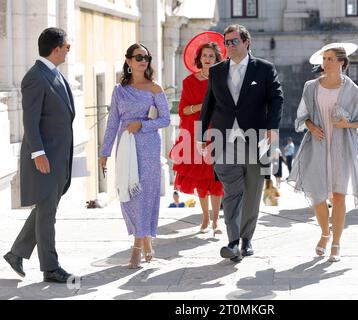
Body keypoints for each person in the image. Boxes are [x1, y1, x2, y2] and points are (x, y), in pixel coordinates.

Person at [198, 24, 284, 262]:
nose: (230, 46)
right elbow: (208, 106)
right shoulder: (216, 71)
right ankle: (233, 241)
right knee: (232, 192)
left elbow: (276, 98)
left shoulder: (264, 69)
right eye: (227, 42)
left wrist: (272, 127)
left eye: (234, 41)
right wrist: (199, 137)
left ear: (247, 42)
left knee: (252, 192)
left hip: (256, 140)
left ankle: (247, 240)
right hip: (224, 140)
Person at [3, 28, 77, 283]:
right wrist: (38, 154)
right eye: (67, 46)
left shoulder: (54, 74)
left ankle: (16, 253)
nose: (69, 50)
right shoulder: (35, 77)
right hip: (45, 158)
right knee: (47, 214)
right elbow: (30, 122)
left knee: (46, 210)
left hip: (59, 157)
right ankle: (50, 267)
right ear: (56, 48)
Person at [288, 43, 358, 263]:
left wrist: (347, 125)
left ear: (341, 62)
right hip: (317, 146)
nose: (325, 64)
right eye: (324, 59)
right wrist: (311, 126)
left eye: (330, 59)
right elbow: (300, 116)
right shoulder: (310, 87)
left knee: (340, 195)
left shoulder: (351, 88)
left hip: (342, 147)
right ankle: (325, 233)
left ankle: (336, 243)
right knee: (318, 195)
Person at [100, 43, 170, 269]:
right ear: (129, 61)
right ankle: (146, 238)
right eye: (138, 57)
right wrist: (104, 152)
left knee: (146, 194)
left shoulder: (155, 89)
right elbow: (112, 123)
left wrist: (142, 125)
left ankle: (137, 249)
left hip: (149, 145)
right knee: (129, 195)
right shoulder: (119, 91)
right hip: (126, 147)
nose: (143, 61)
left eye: (146, 57)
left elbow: (165, 120)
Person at [169, 34, 225, 235]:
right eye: (204, 55)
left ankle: (217, 221)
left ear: (217, 58)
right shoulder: (189, 82)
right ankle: (205, 218)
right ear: (199, 59)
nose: (208, 59)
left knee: (217, 180)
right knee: (202, 181)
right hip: (197, 135)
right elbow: (183, 110)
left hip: (218, 134)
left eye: (211, 55)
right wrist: (203, 107)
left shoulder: (223, 80)